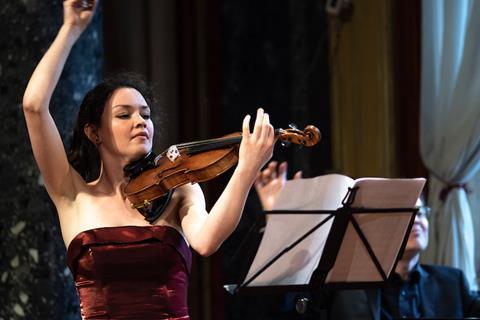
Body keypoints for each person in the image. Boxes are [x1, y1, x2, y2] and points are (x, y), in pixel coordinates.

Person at [22, 1, 275, 319]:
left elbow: (208, 240)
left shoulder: (180, 190)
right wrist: (70, 29)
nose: (140, 122)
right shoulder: (73, 194)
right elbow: (33, 106)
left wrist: (247, 168)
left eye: (146, 114)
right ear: (94, 132)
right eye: (123, 115)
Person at [255, 162, 480, 320]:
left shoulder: (452, 282)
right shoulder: (341, 286)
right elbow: (281, 310)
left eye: (421, 213)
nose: (418, 220)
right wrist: (279, 223)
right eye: (408, 214)